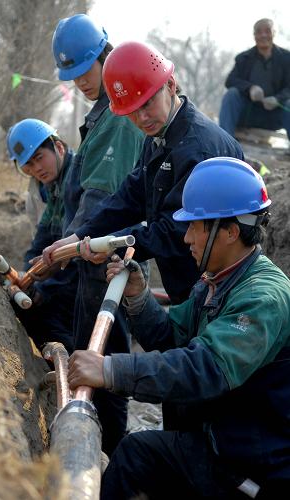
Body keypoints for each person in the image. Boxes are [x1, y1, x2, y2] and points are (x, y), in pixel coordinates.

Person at [43, 40, 245, 430]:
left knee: (205, 396)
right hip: (190, 286)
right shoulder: (161, 138)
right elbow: (132, 194)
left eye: (147, 104)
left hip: (219, 288)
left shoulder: (197, 147)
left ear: (171, 85)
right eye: (131, 112)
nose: (142, 117)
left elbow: (174, 232)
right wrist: (80, 235)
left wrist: (103, 244)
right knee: (180, 401)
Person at [68, 157, 290, 500]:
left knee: (134, 457)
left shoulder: (263, 298)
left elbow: (204, 368)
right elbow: (173, 337)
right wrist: (140, 298)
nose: (186, 237)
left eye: (195, 226)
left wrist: (109, 369)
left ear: (230, 231)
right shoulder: (218, 280)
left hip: (251, 471)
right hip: (219, 443)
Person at [49, 15, 145, 456]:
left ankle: (112, 452)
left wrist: (71, 243)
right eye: (72, 76)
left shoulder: (120, 118)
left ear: (104, 57)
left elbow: (102, 198)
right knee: (89, 347)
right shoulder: (101, 113)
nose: (80, 82)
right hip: (89, 254)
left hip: (103, 257)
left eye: (84, 71)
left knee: (102, 354)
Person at [6, 118, 78, 354]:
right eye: (28, 164)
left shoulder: (78, 179)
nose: (36, 169)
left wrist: (43, 289)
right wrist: (26, 275)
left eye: (39, 158)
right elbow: (43, 237)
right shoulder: (52, 186)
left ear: (58, 147)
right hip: (65, 276)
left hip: (93, 272)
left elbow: (74, 251)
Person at [219, 18, 290, 143]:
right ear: (254, 35)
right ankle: (225, 144)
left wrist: (278, 99)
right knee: (231, 94)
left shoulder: (286, 58)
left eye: (267, 31)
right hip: (249, 114)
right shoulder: (244, 58)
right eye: (259, 32)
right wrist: (250, 88)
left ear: (274, 33)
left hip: (275, 115)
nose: (263, 35)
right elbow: (230, 81)